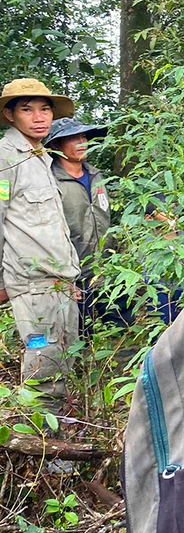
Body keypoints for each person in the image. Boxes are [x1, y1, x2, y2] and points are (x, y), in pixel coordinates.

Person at [0, 78, 81, 411]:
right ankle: (42, 453)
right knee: (44, 372)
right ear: (9, 115)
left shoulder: (41, 159)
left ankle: (54, 449)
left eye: (45, 109)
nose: (39, 117)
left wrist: (68, 278)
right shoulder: (7, 159)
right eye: (27, 109)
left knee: (63, 365)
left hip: (57, 284)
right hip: (33, 288)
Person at [44, 117, 111, 329]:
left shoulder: (96, 175)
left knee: (120, 326)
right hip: (74, 274)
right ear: (56, 145)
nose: (82, 142)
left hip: (108, 267)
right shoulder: (50, 182)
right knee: (81, 332)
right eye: (73, 138)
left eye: (84, 136)